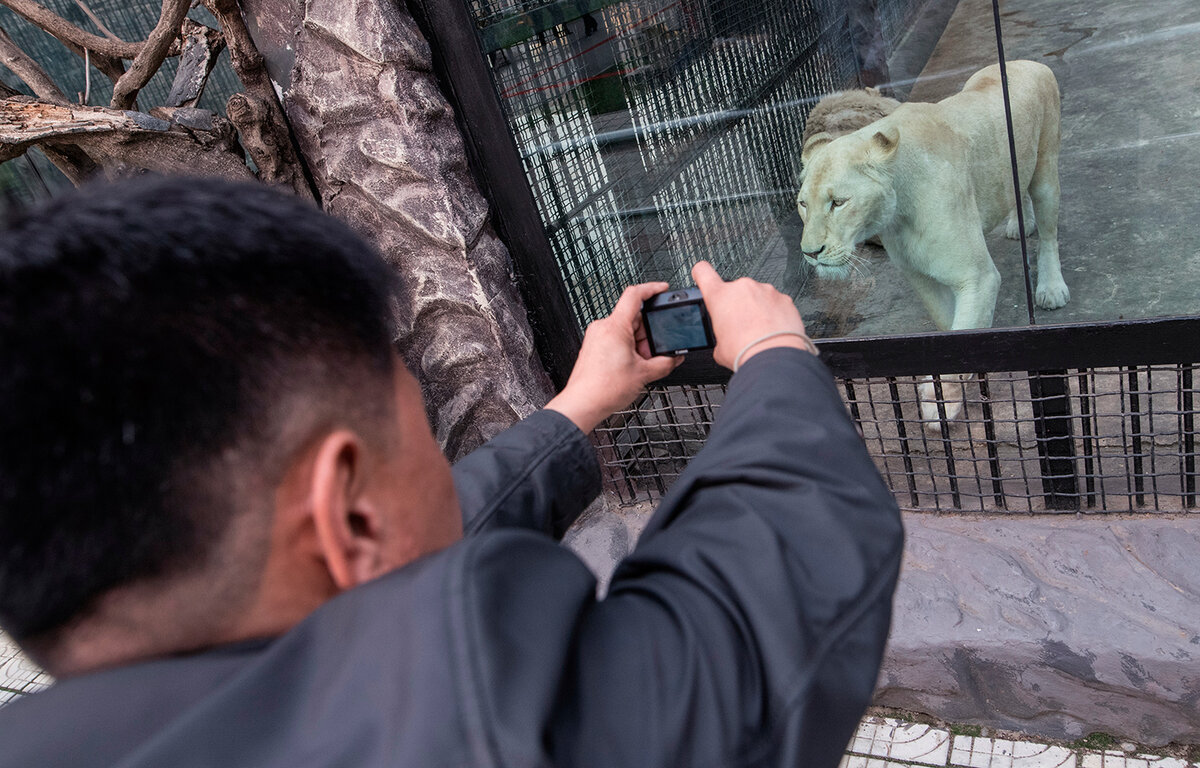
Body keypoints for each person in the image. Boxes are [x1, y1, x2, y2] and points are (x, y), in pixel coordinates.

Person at [0, 176, 903, 767]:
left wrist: (574, 410)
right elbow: (746, 625)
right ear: (346, 516)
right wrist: (777, 350)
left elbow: (390, 570)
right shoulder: (479, 739)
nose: (443, 464)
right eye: (426, 443)